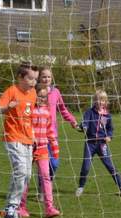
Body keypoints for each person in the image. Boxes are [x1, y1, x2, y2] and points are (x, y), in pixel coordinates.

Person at [0, 63, 39, 218]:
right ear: (20, 77)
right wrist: (8, 107)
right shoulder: (11, 91)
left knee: (27, 174)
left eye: (35, 79)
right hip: (12, 137)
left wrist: (33, 134)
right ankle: (11, 207)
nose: (33, 82)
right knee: (21, 170)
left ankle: (11, 208)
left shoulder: (33, 93)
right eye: (30, 78)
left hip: (28, 138)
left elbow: (29, 117)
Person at [76, 89, 121, 198]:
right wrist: (83, 127)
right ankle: (80, 187)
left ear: (106, 102)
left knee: (110, 166)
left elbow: (110, 129)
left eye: (103, 100)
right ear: (95, 101)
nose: (101, 102)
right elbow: (84, 122)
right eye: (98, 100)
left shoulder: (107, 116)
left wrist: (109, 136)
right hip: (90, 144)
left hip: (102, 144)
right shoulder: (89, 112)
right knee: (85, 167)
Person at [18, 85, 61, 218]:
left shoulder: (47, 112)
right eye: (39, 96)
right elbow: (24, 124)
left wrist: (54, 147)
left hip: (43, 148)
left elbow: (50, 131)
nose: (42, 98)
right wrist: (31, 136)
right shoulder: (29, 109)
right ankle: (21, 207)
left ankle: (49, 208)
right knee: (25, 177)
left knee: (46, 177)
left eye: (44, 96)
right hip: (28, 148)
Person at [37, 67, 78, 200]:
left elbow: (63, 109)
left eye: (48, 77)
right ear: (39, 78)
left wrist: (72, 120)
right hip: (38, 135)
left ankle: (46, 183)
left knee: (54, 164)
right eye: (44, 76)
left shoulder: (56, 92)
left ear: (52, 78)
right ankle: (43, 190)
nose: (46, 79)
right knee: (42, 163)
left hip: (52, 135)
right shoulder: (34, 92)